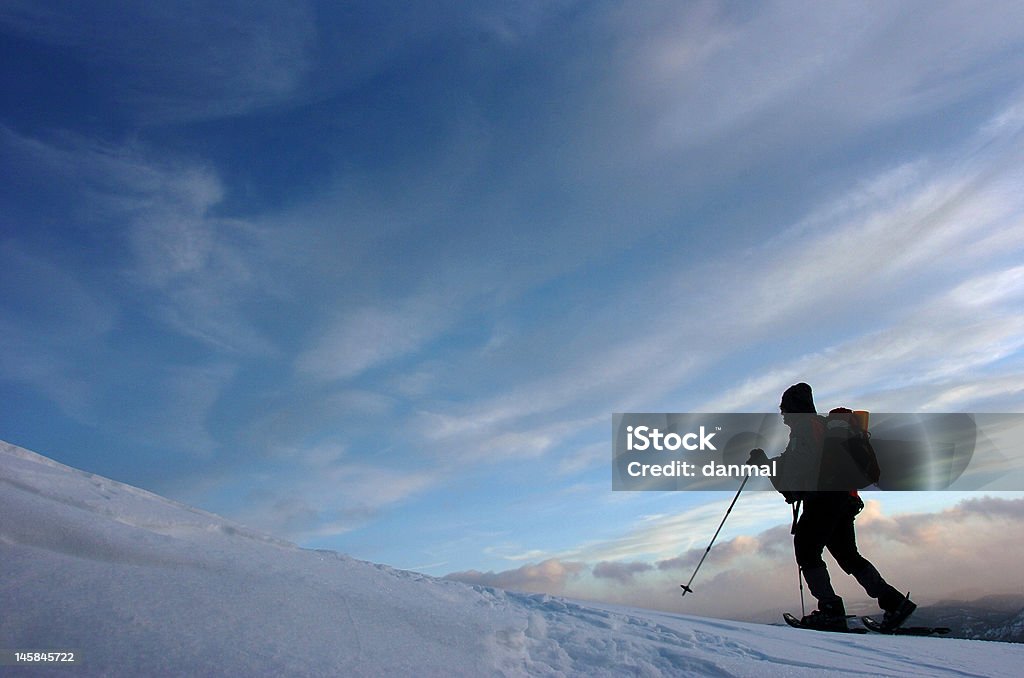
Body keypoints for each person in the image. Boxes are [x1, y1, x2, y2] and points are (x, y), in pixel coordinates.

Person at [748, 383, 916, 631]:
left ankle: (830, 610)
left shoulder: (804, 428)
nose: (783, 416)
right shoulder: (822, 426)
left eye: (785, 410)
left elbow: (798, 467)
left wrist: (765, 465)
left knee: (806, 550)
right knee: (848, 556)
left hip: (824, 499)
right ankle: (894, 603)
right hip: (843, 499)